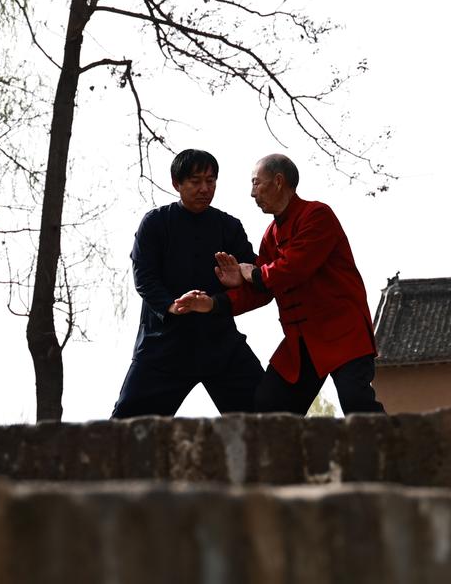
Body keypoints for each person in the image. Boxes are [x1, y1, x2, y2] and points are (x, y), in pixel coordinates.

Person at [171, 153, 384, 415]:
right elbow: (261, 291)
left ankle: (399, 443)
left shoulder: (317, 215)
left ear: (279, 181)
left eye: (256, 183)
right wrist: (214, 303)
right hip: (301, 341)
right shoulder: (270, 236)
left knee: (357, 403)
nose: (252, 193)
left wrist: (253, 274)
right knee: (270, 405)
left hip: (342, 332)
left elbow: (293, 268)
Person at [111, 149, 266, 418]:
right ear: (176, 183)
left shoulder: (229, 226)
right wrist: (171, 306)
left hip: (220, 343)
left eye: (211, 181)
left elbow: (255, 278)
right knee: (125, 427)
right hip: (163, 345)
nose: (204, 189)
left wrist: (238, 279)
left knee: (268, 417)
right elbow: (144, 277)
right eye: (195, 181)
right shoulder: (155, 223)